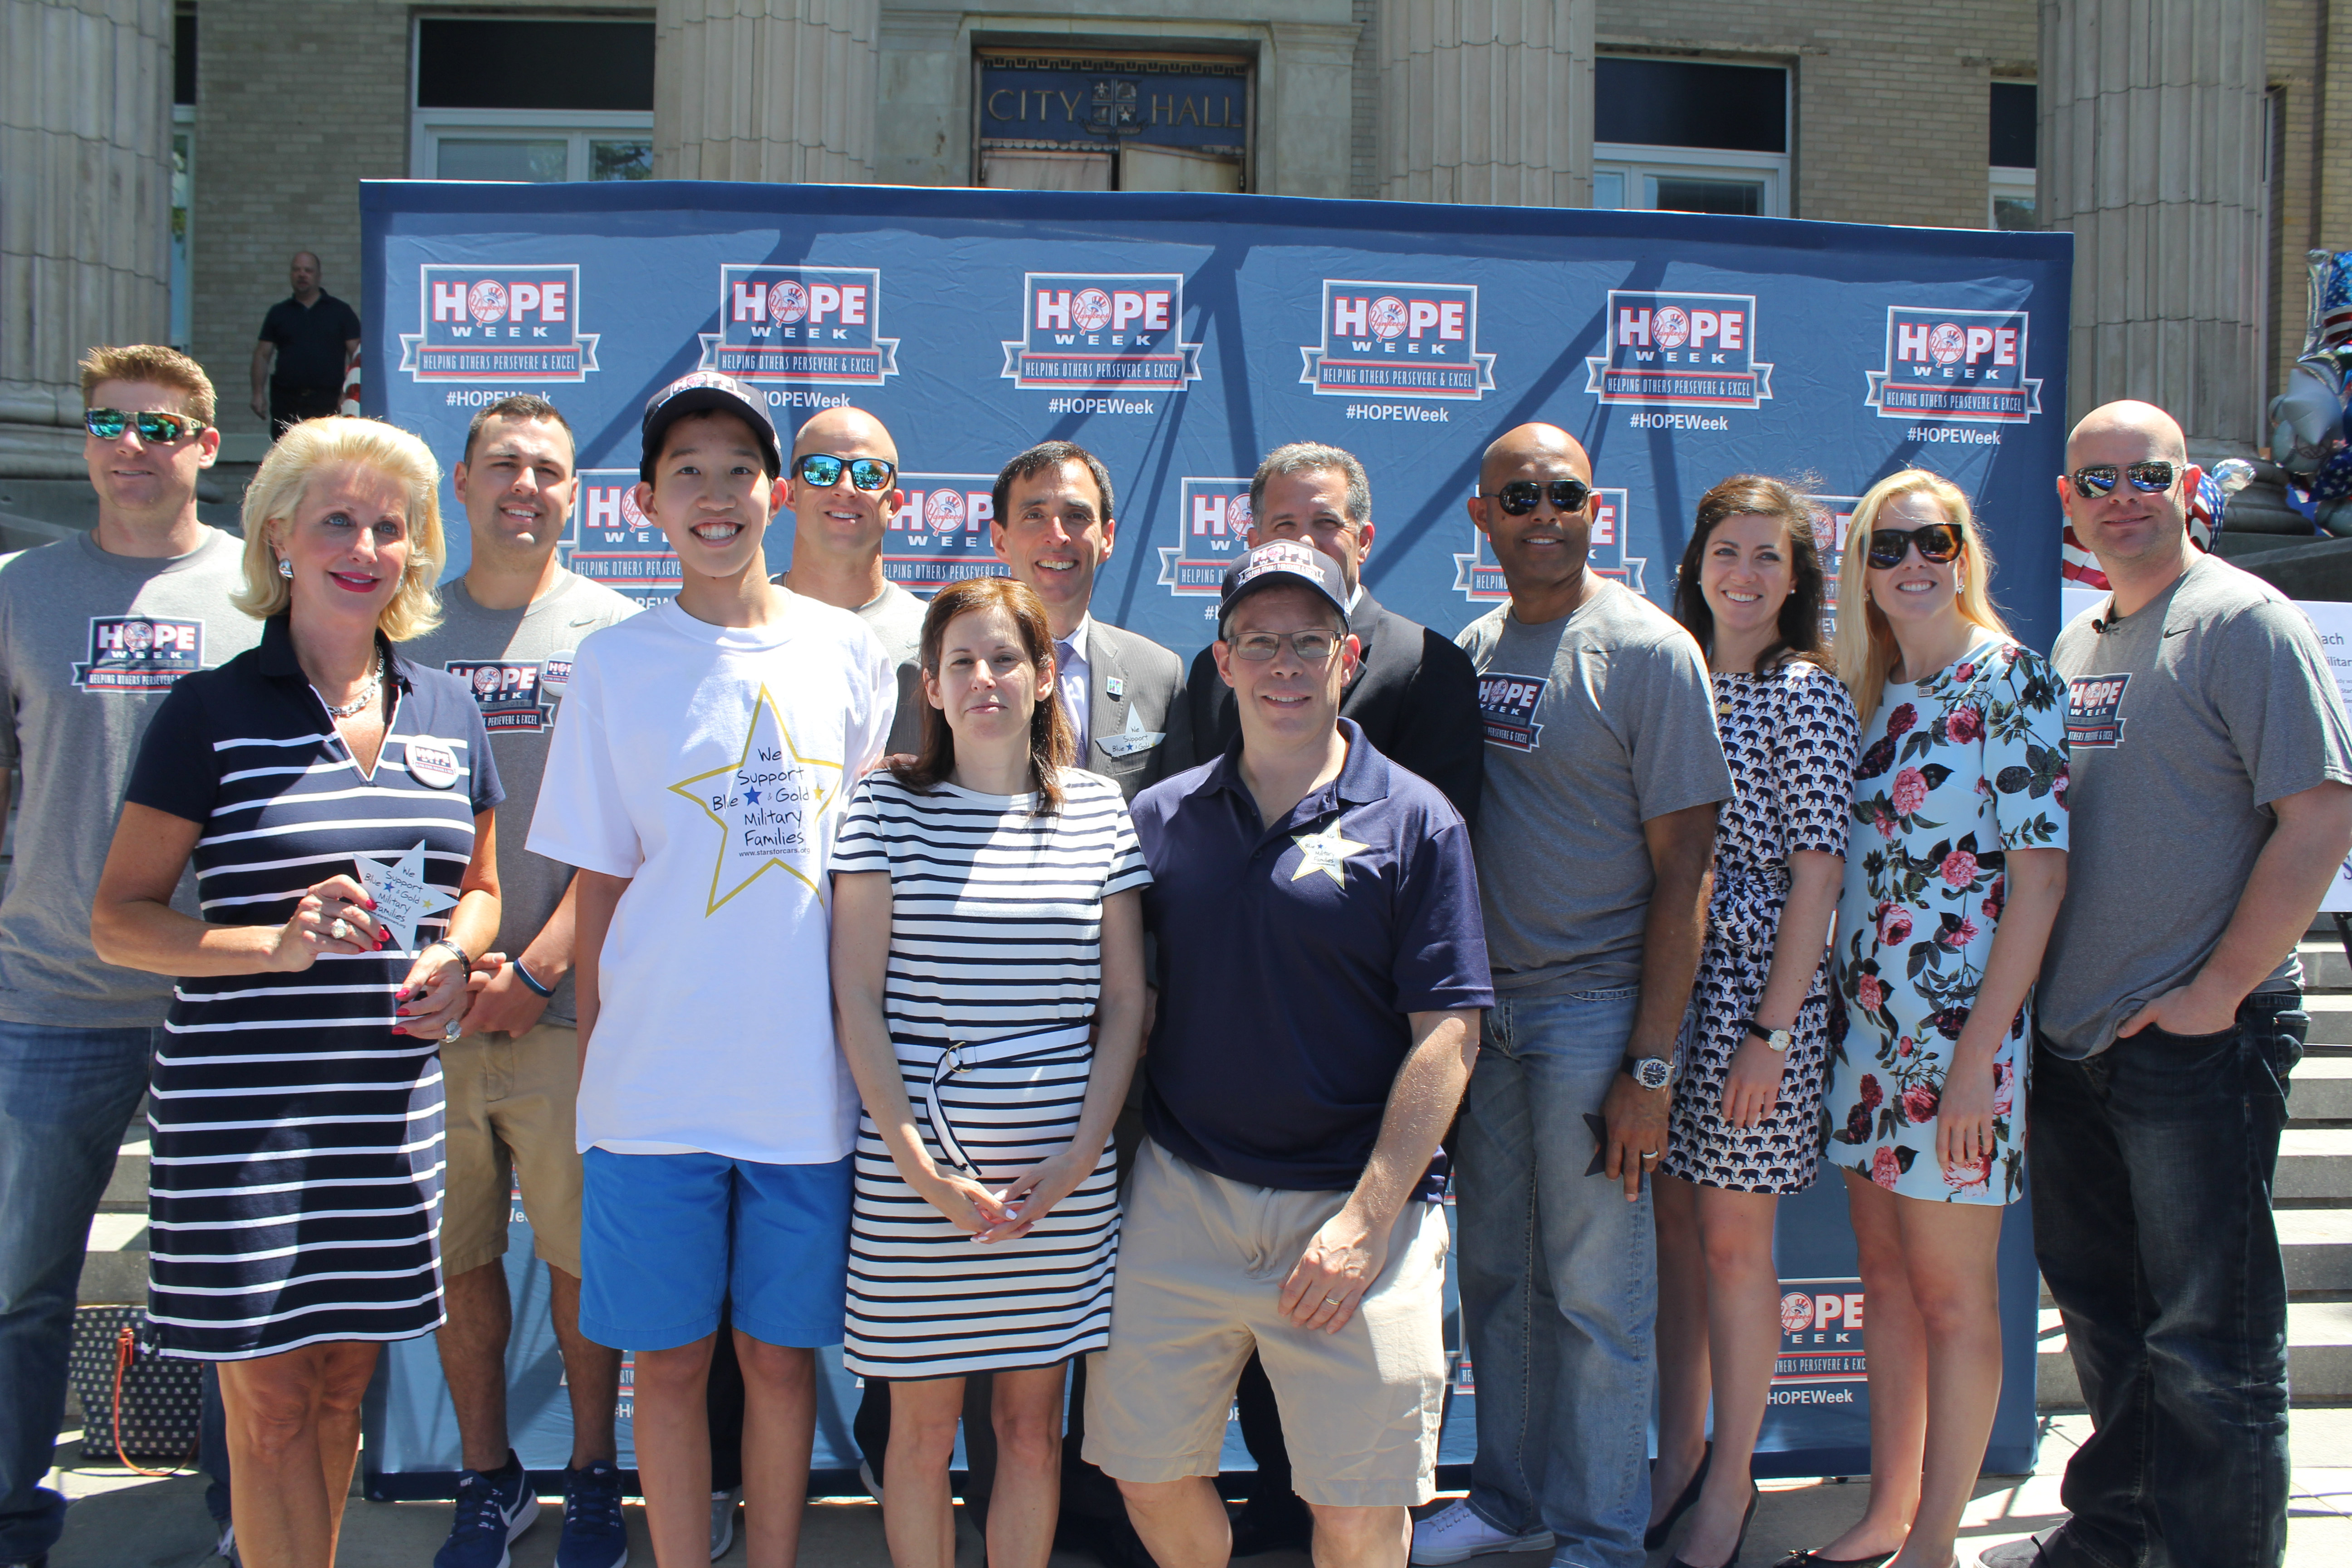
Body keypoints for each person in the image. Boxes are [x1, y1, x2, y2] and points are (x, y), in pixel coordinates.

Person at [88, 416, 503, 1568]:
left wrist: (456, 959)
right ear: (278, 536)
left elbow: (479, 890)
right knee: (269, 1408)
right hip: (244, 1119)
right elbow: (119, 920)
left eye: (390, 526)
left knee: (337, 1392)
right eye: (337, 521)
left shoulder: (447, 706)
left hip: (386, 1113)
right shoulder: (209, 710)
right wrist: (269, 943)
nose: (365, 547)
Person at [527, 370, 896, 1568]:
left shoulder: (850, 654)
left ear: (778, 495)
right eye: (687, 472)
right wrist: (598, 1071)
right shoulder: (614, 664)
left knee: (780, 1363)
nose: (716, 493)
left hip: (804, 1090)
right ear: (645, 503)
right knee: (672, 1365)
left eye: (740, 469)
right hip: (652, 1093)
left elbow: (870, 875)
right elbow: (599, 886)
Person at [1987, 402, 2352, 1568]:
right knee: (2107, 1318)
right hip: (2077, 1044)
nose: (2122, 498)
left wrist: (2217, 992)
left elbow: (2321, 815)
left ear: (2189, 485)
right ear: (2066, 503)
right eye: (2096, 481)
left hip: (2196, 1039)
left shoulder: (2241, 619)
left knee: (2210, 1340)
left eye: (2146, 474)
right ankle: (2119, 1532)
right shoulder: (2076, 644)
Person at [1086, 539, 1491, 1568]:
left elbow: (1448, 1033)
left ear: (1346, 657)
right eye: (1258, 642)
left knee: (1357, 1511)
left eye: (1308, 642)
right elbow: (1117, 998)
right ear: (1220, 662)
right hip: (1184, 1194)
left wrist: (1365, 1221)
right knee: (1145, 1473)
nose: (1283, 665)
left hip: (1357, 1209)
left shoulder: (1416, 820)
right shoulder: (1159, 819)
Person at [1416, 423, 1730, 1568]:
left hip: (1595, 1016)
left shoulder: (1648, 650)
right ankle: (1509, 1498)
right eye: (1519, 498)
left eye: (1564, 494)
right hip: (1486, 1018)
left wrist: (1650, 1066)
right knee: (1499, 1278)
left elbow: (1687, 871)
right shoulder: (1475, 644)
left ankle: (1600, 1536)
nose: (1543, 514)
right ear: (1481, 517)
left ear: (1596, 508)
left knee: (1598, 1297)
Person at [0, 345, 262, 1568]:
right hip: (48, 994)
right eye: (110, 424)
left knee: (229, 1288)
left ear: (207, 446)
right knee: (20, 1283)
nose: (130, 448)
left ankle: (242, 1520)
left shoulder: (258, 590)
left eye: (159, 428)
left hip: (220, 991)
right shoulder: (21, 590)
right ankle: (14, 1518)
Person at [831, 574, 1151, 1568]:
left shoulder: (1098, 810)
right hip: (915, 1189)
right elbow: (856, 1001)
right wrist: (920, 1170)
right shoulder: (882, 806)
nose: (984, 678)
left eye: (1006, 658)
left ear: (1045, 675)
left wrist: (1077, 1161)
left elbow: (1126, 1004)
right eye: (960, 661)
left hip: (1060, 1190)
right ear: (929, 686)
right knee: (920, 1438)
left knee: (1029, 1433)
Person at [1788, 469, 2068, 1568]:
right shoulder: (1869, 695)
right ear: (1860, 568)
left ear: (1963, 555)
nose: (1912, 562)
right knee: (1886, 1287)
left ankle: (1935, 1541)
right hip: (1866, 1045)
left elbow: (2039, 883)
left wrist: (1974, 1065)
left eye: (1933, 541)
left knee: (1953, 1300)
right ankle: (1889, 1514)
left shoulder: (2009, 680)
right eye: (1888, 545)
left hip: (1962, 1052)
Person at [403, 394, 639, 1568]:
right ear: (462, 484)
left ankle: (593, 1474)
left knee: (579, 1262)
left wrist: (539, 967)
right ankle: (489, 1478)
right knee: (457, 1265)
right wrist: (443, 964)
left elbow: (639, 834)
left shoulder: (617, 634)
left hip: (568, 1015)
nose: (526, 487)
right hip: (431, 1015)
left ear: (575, 494)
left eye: (548, 469)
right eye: (504, 465)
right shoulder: (402, 628)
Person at [1651, 477, 1858, 1568]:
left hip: (1754, 1001)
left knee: (1735, 1248)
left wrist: (1772, 1035)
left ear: (1796, 577)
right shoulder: (1674, 673)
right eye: (1726, 551)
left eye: (1767, 555)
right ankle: (1677, 1456)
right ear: (1695, 564)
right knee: (1676, 1239)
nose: (1743, 574)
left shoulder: (1804, 693)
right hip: (1667, 989)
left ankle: (1732, 1478)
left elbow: (1819, 874)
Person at [1164, 441, 1482, 824]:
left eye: (1327, 524)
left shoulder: (1429, 666)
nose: (1306, 542)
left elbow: (1434, 833)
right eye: (1285, 525)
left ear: (1363, 541)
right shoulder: (1211, 672)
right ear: (1254, 542)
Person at [990, 440, 1185, 802]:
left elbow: (1178, 818)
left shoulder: (1160, 675)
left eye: (1077, 516)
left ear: (1107, 538)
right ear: (1000, 540)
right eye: (1034, 515)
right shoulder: (950, 671)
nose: (1058, 535)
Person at [774, 406, 927, 755]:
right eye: (821, 470)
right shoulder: (739, 621)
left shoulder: (938, 633)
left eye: (870, 474)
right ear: (791, 494)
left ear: (894, 504)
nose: (845, 488)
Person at [250, 251, 362, 439]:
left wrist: (349, 394)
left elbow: (357, 357)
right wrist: (257, 394)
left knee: (325, 453)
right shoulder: (279, 313)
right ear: (291, 275)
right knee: (287, 453)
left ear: (319, 276)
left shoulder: (341, 312)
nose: (302, 275)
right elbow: (262, 355)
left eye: (308, 271)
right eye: (297, 270)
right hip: (287, 402)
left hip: (328, 401)